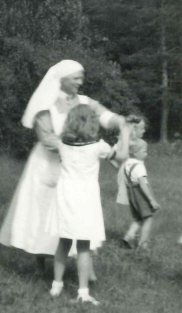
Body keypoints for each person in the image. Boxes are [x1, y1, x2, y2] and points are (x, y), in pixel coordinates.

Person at [0, 60, 126, 275]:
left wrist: (120, 121)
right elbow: (48, 138)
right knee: (43, 211)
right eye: (76, 78)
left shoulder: (84, 101)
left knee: (79, 213)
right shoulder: (45, 105)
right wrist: (80, 148)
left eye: (81, 77)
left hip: (75, 166)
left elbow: (105, 116)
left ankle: (86, 267)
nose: (80, 82)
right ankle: (40, 259)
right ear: (62, 79)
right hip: (48, 164)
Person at [47, 104, 131, 305]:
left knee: (64, 241)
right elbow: (122, 157)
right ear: (92, 124)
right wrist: (125, 132)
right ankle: (83, 292)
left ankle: (56, 286)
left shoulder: (63, 145)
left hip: (65, 196)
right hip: (85, 198)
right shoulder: (98, 147)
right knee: (83, 245)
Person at [117, 138, 160, 250]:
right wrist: (151, 200)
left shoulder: (127, 163)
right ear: (136, 152)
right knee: (148, 218)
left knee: (139, 218)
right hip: (140, 193)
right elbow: (143, 185)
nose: (146, 154)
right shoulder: (140, 166)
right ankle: (143, 244)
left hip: (131, 192)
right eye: (144, 151)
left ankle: (128, 237)